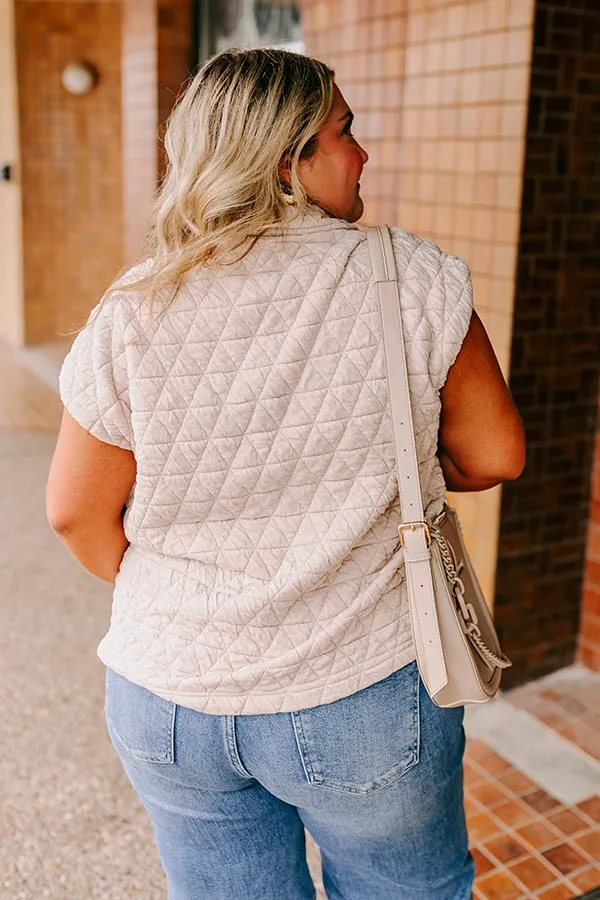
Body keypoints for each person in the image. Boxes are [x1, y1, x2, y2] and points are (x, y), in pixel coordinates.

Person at [46, 48, 525, 900]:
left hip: (170, 703)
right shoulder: (408, 278)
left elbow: (78, 517)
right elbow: (494, 455)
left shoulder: (133, 306)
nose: (362, 153)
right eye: (344, 133)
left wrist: (198, 595)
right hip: (363, 696)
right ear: (285, 161)